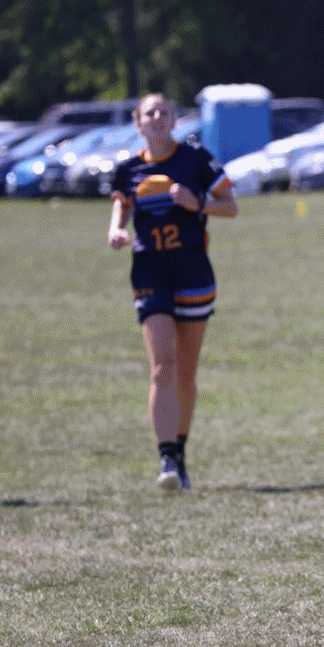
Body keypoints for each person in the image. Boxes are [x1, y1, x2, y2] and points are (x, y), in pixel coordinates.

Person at [108, 93, 237, 489]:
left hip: (192, 271)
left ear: (175, 120)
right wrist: (116, 229)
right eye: (150, 113)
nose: (158, 118)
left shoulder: (195, 159)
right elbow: (123, 204)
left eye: (164, 112)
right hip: (150, 272)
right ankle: (166, 458)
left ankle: (180, 451)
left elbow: (230, 206)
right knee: (162, 365)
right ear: (138, 123)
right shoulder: (128, 169)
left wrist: (197, 203)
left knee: (185, 372)